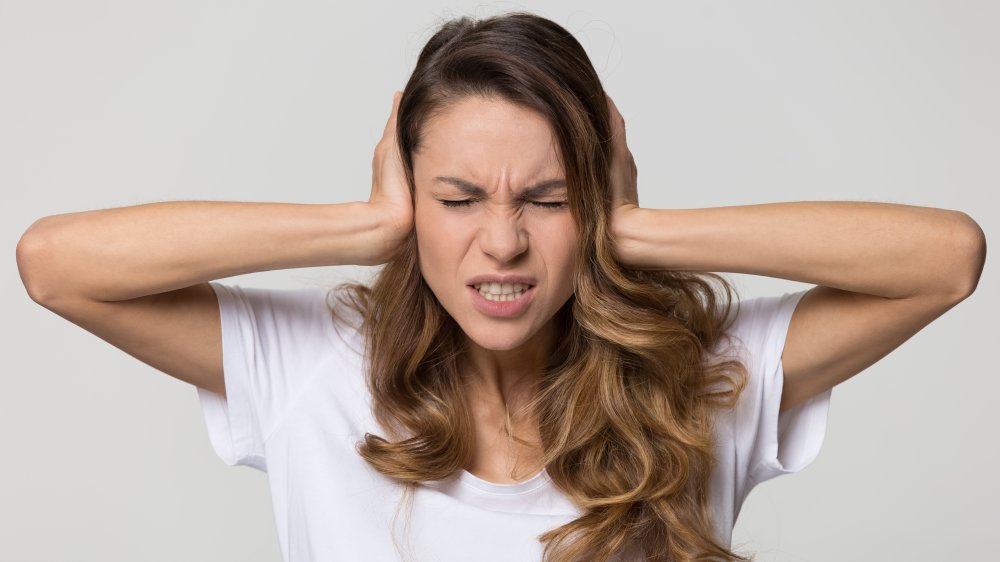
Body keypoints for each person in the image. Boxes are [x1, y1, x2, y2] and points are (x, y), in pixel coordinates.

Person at [15, 10, 985, 562]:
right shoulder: (312, 369)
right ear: (412, 199)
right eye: (459, 197)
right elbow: (56, 265)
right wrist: (363, 225)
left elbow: (944, 259)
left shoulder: (690, 380)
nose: (503, 243)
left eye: (548, 198)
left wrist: (635, 228)